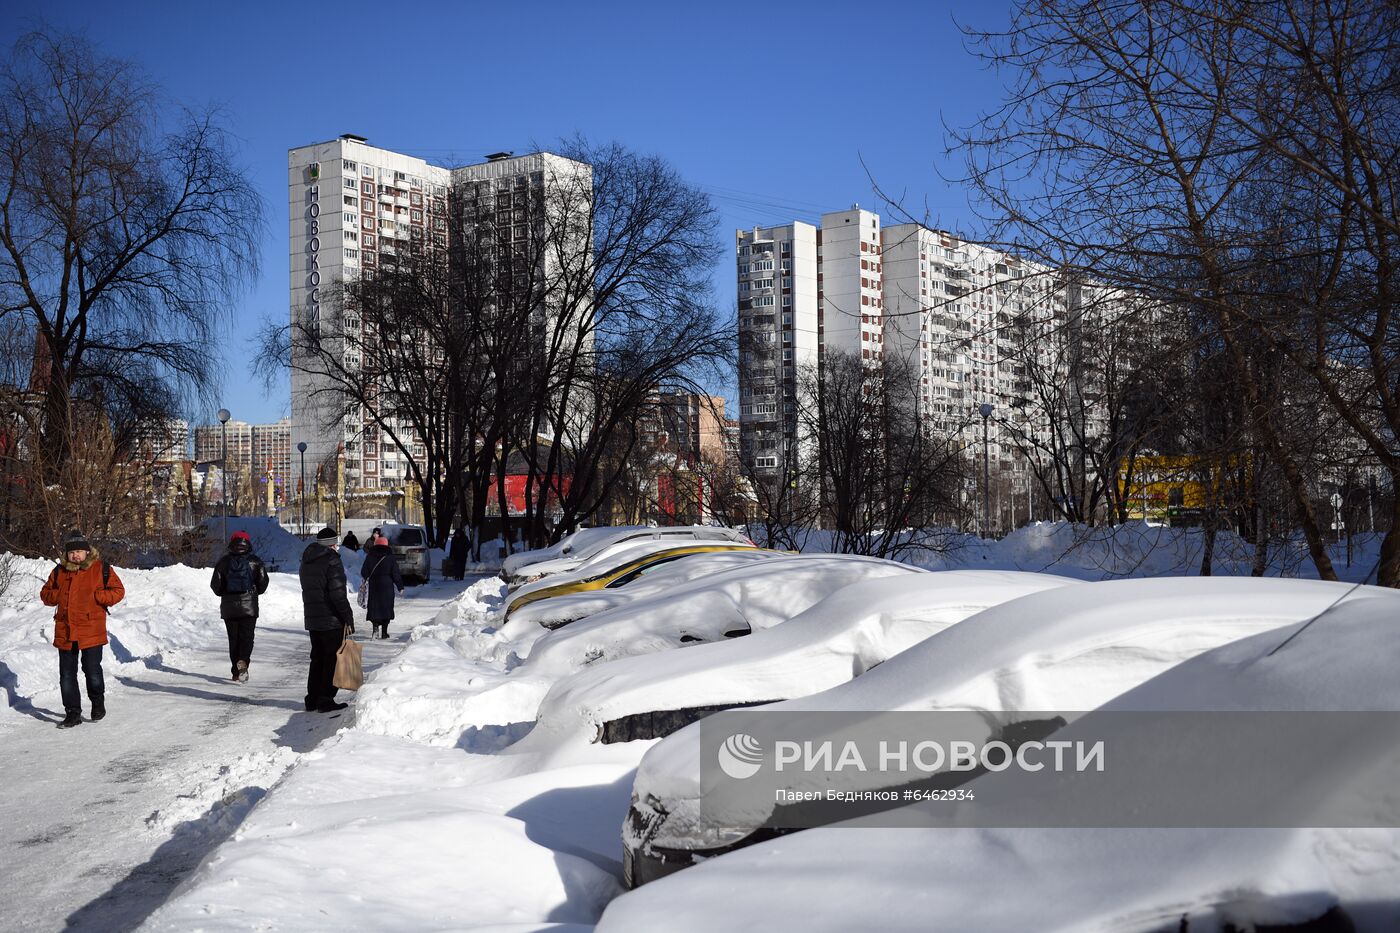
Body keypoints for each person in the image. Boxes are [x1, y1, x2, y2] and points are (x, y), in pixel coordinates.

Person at [40, 530, 125, 729]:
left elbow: (118, 591)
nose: (75, 555)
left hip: (91, 629)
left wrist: (99, 597)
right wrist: (58, 595)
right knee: (67, 674)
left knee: (92, 670)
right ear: (66, 554)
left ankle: (97, 702)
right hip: (65, 630)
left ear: (87, 552)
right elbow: (45, 594)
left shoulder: (100, 568)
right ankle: (72, 713)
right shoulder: (59, 571)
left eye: (79, 551)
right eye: (72, 552)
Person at [299, 526, 354, 713]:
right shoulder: (332, 561)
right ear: (332, 544)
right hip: (331, 619)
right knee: (331, 659)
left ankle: (312, 698)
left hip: (313, 618)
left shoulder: (306, 560)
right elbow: (337, 594)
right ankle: (325, 699)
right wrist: (347, 617)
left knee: (317, 658)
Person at [209, 531, 271, 682]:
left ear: (232, 543)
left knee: (233, 639)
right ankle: (243, 661)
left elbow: (215, 586)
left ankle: (235, 672)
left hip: (229, 608)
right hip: (249, 606)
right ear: (247, 543)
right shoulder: (255, 561)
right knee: (247, 638)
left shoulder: (223, 562)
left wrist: (226, 592)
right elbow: (263, 584)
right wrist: (254, 591)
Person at [361, 534, 404, 640]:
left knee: (374, 608)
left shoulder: (369, 556)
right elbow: (395, 573)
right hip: (387, 586)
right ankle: (384, 633)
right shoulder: (390, 557)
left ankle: (375, 629)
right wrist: (400, 586)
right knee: (386, 608)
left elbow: (364, 572)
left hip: (374, 586)